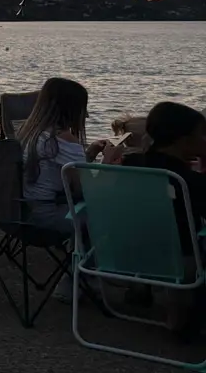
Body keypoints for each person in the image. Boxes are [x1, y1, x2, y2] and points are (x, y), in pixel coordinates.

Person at [122, 102, 206, 333]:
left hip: (126, 254)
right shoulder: (188, 181)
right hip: (180, 260)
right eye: (202, 134)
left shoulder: (129, 165)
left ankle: (142, 291)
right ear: (183, 140)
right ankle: (182, 309)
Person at [16, 77, 119, 234]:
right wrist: (107, 161)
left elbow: (56, 170)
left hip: (25, 212)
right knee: (117, 210)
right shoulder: (63, 139)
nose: (86, 115)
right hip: (51, 218)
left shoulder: (29, 132)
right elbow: (87, 192)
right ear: (72, 110)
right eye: (83, 109)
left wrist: (89, 155)